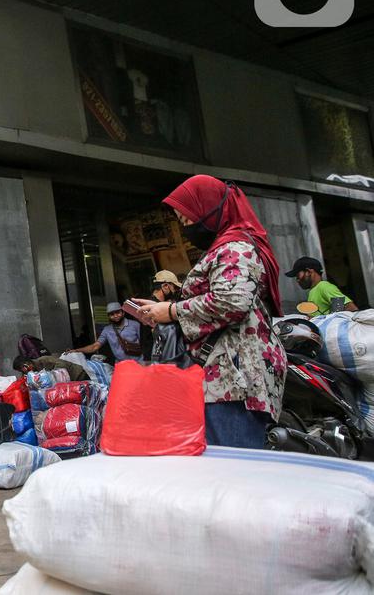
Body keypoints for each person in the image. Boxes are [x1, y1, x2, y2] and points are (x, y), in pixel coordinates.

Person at [137, 174, 287, 448]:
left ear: (209, 210)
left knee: (235, 471)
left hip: (236, 377)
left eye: (187, 219)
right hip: (225, 375)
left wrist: (171, 311)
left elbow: (232, 302)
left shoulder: (235, 248)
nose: (186, 228)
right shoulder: (225, 247)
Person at [286, 256, 358, 316]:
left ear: (308, 272)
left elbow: (350, 308)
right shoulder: (313, 291)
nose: (297, 280)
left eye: (298, 275)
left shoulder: (324, 287)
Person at [77, 302, 142, 363]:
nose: (115, 316)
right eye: (112, 314)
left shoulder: (135, 325)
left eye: (117, 312)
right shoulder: (107, 330)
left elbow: (144, 344)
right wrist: (76, 350)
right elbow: (95, 346)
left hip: (139, 363)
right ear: (108, 316)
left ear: (123, 312)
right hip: (121, 366)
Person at [142, 271, 181, 361]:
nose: (175, 291)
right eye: (174, 287)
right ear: (165, 286)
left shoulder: (161, 304)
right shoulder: (151, 306)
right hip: (158, 358)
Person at [12, 354, 90, 382]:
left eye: (24, 367)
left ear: (28, 362)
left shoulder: (44, 360)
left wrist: (50, 375)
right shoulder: (29, 374)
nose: (25, 371)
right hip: (69, 384)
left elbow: (61, 363)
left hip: (78, 375)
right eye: (21, 370)